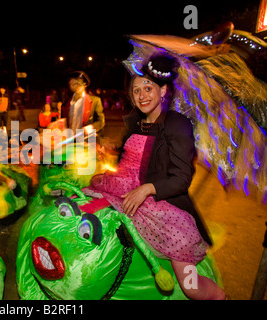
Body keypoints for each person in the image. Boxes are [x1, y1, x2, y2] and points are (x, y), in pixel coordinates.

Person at [84, 53, 225, 300]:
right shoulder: (137, 123)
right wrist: (111, 148)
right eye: (136, 91)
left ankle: (219, 297)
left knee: (191, 287)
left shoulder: (177, 123)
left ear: (163, 91)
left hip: (162, 205)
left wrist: (147, 188)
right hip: (120, 189)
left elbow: (181, 177)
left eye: (148, 88)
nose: (142, 95)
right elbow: (134, 158)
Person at [61, 71, 105, 136]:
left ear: (84, 84)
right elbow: (63, 122)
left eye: (79, 83)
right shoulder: (66, 103)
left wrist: (90, 127)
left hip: (87, 140)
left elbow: (101, 122)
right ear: (69, 86)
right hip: (70, 141)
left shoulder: (95, 101)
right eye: (73, 84)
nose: (77, 86)